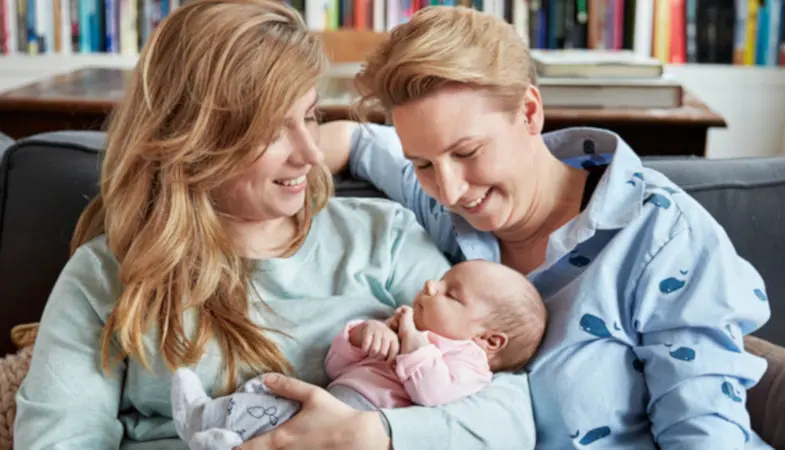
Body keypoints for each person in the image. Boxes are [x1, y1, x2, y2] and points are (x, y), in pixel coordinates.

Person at [12, 2, 537, 449]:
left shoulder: (386, 237)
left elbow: (508, 414)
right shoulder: (108, 274)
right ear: (194, 140)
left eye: (309, 117)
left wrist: (366, 433)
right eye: (271, 130)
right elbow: (61, 438)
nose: (311, 154)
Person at [315, 5, 775, 450]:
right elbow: (355, 140)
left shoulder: (664, 238)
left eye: (467, 152)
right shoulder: (445, 210)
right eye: (422, 163)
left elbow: (704, 434)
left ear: (530, 112)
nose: (450, 190)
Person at [170, 259, 546, 449]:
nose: (431, 284)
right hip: (334, 396)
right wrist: (363, 336)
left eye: (450, 293)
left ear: (489, 340)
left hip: (362, 418)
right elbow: (336, 369)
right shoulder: (401, 325)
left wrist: (413, 339)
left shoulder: (469, 361)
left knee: (282, 424)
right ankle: (205, 419)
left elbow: (430, 393)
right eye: (441, 278)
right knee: (265, 396)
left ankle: (214, 434)